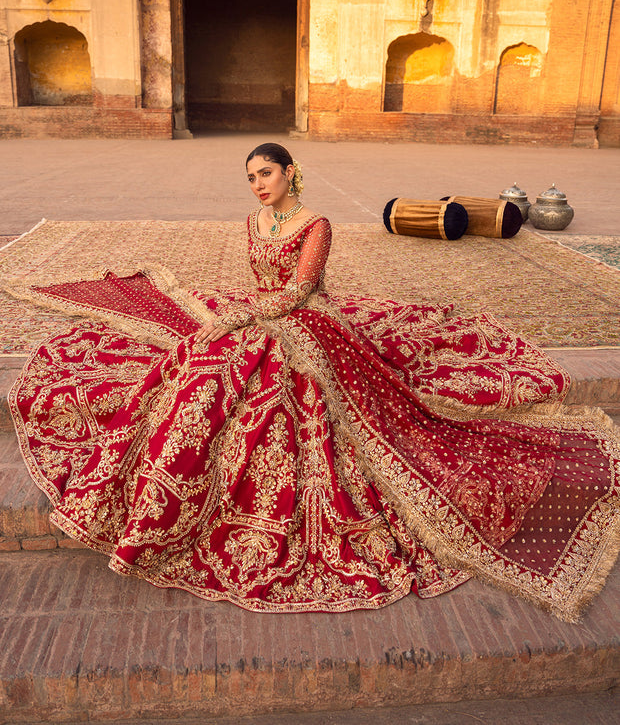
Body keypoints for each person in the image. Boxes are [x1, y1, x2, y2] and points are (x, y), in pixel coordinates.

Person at [9, 143, 620, 621]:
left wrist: (248, 314)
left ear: (290, 173)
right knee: (200, 365)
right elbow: (263, 282)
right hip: (261, 312)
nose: (258, 185)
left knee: (256, 367)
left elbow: (301, 289)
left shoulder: (317, 223)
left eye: (266, 175)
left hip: (309, 321)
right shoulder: (253, 222)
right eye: (250, 177)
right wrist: (245, 312)